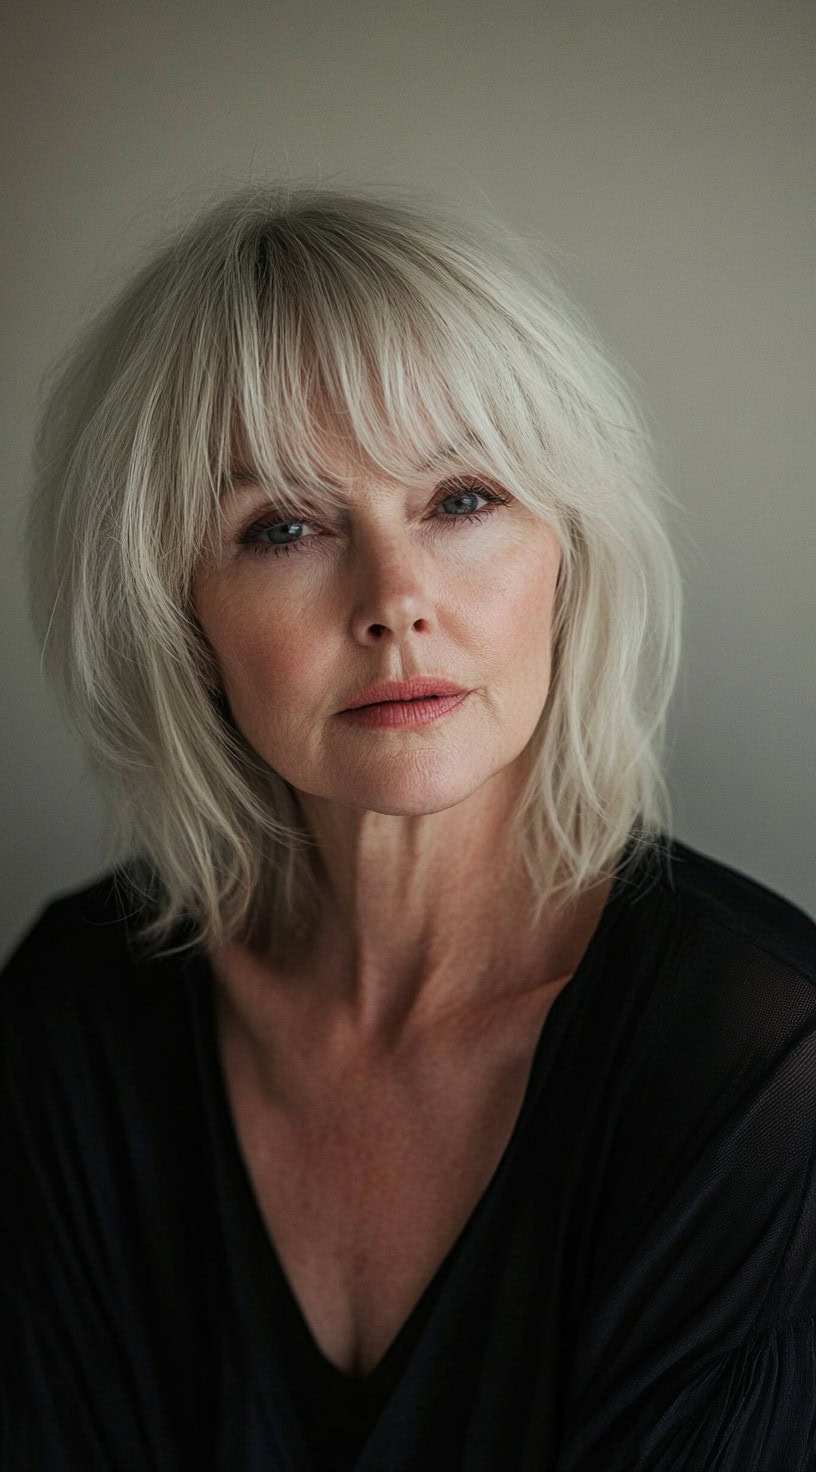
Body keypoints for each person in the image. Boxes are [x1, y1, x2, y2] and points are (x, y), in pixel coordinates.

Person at [2, 183, 814, 1472]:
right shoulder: (73, 1016)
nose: (396, 601)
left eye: (463, 498)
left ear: (571, 550)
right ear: (179, 615)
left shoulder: (759, 1059)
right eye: (283, 526)